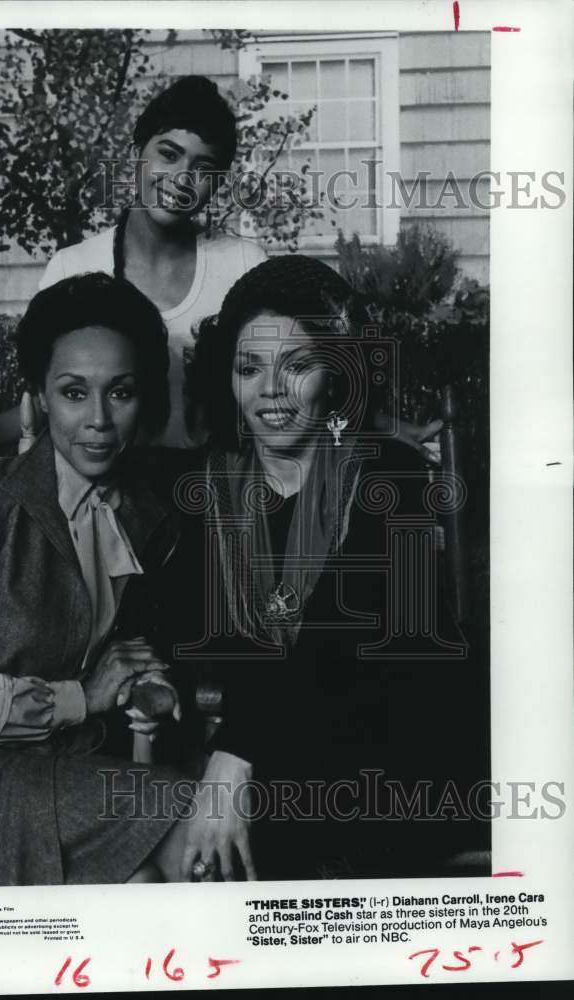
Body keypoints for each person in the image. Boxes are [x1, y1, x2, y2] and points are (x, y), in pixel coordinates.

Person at [166, 255, 487, 882]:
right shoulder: (209, 485)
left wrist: (233, 755)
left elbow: (341, 634)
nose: (270, 392)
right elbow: (180, 629)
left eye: (298, 366)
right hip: (270, 754)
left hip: (393, 750)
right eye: (248, 368)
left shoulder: (388, 472)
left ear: (336, 377)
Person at [0, 273, 195, 887]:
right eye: (74, 393)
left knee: (171, 861)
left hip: (58, 770)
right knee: (188, 815)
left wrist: (137, 671)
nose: (100, 421)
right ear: (38, 399)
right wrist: (79, 698)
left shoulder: (146, 517)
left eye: (122, 392)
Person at [0, 75, 266, 468]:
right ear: (137, 152)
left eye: (202, 168)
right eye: (168, 154)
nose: (181, 180)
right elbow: (49, 403)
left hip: (214, 495)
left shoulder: (243, 265)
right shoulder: (74, 267)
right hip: (110, 502)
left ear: (218, 182)